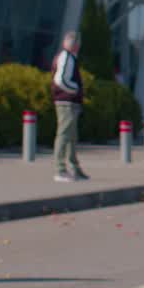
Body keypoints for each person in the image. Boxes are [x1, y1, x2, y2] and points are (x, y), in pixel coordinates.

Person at [51, 31, 88, 182]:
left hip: (69, 101)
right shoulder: (67, 57)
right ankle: (60, 169)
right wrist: (75, 89)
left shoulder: (69, 57)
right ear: (75, 45)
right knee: (65, 134)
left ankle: (74, 168)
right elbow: (60, 80)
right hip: (66, 101)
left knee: (71, 136)